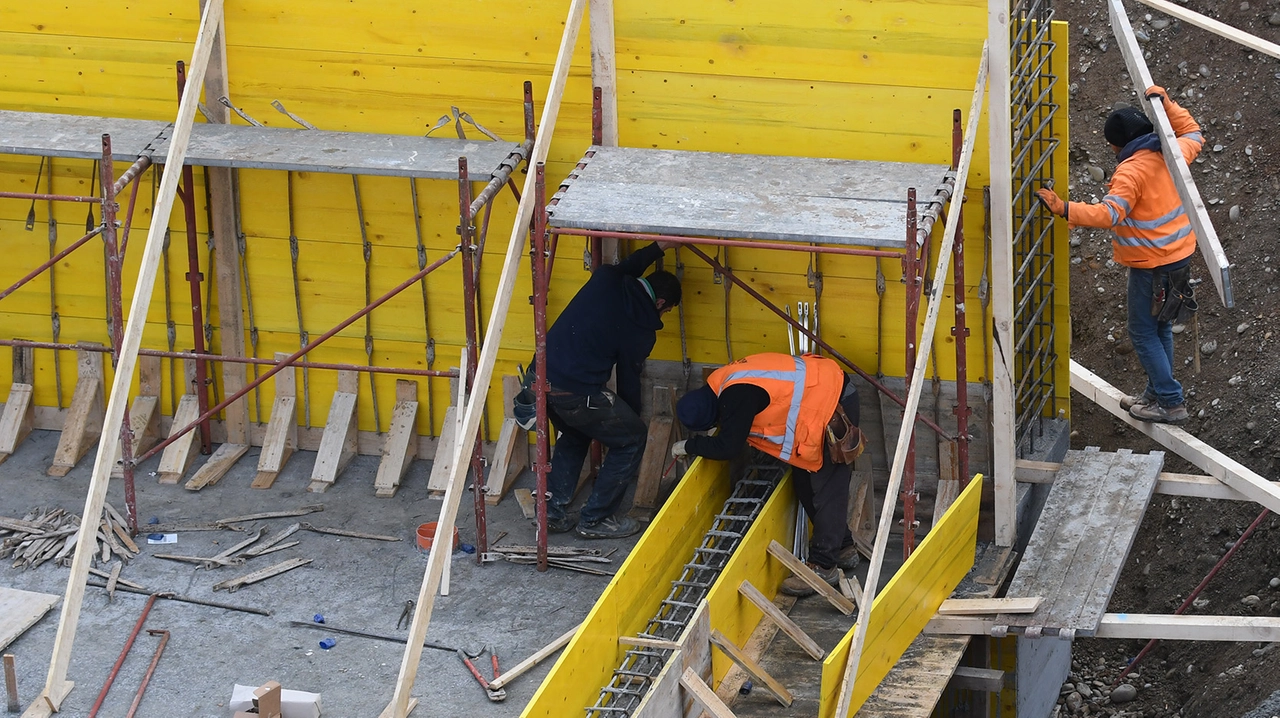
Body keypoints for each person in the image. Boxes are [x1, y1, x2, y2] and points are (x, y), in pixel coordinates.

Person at [1036, 85, 1202, 425]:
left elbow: (1110, 214)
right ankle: (1157, 393)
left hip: (1152, 266)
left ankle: (1170, 402)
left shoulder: (1131, 171)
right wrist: (1167, 103)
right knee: (1162, 329)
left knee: (1143, 332)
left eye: (1111, 145)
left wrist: (1063, 208)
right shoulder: (1172, 151)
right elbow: (1194, 132)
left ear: (1119, 144)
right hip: (1180, 258)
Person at [672, 352, 865, 596]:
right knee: (805, 483)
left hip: (830, 401)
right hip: (820, 393)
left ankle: (823, 566)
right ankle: (843, 547)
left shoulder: (737, 395)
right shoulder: (723, 381)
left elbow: (728, 447)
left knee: (827, 487)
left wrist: (690, 446)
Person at [537, 241, 681, 539]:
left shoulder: (606, 278)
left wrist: (660, 247)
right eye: (666, 311)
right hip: (576, 390)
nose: (662, 317)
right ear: (659, 304)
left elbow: (632, 264)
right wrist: (629, 417)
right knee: (631, 439)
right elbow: (629, 382)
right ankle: (596, 519)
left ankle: (551, 513)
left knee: (576, 431)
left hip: (540, 377)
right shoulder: (641, 330)